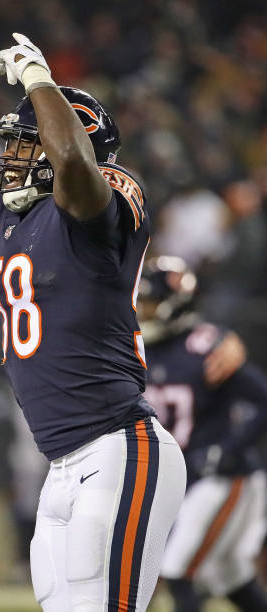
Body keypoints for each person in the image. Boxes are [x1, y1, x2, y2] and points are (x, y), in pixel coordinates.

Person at [0, 26, 186, 611]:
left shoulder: (105, 193)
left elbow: (78, 176)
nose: (9, 158)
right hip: (60, 462)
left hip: (118, 447)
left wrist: (40, 80)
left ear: (69, 144)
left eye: (26, 144)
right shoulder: (9, 220)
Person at [139, 255, 267, 612]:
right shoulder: (136, 349)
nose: (143, 311)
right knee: (227, 577)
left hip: (218, 475)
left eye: (150, 303)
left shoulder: (206, 348)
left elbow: (262, 399)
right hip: (178, 478)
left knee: (177, 569)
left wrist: (225, 448)